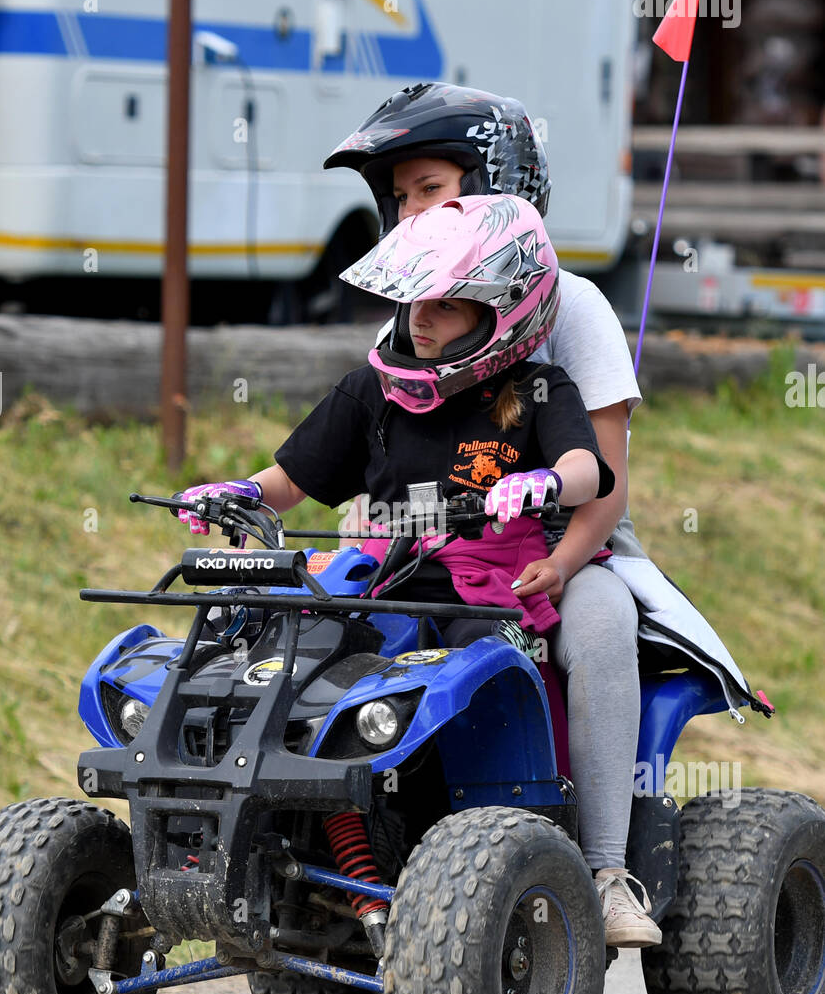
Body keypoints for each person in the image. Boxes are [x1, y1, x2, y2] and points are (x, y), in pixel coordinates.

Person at [321, 81, 773, 945]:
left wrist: (563, 568)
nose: (411, 210)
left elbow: (605, 486)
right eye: (401, 196)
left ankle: (605, 871)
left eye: (430, 190)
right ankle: (346, 847)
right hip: (432, 547)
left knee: (599, 630)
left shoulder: (576, 306)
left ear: (499, 185)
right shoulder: (409, 310)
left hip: (573, 543)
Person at [176, 192, 665, 948]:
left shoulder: (538, 388)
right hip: (391, 581)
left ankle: (598, 871)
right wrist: (237, 492)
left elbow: (586, 467)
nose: (419, 319)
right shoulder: (373, 388)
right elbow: (291, 477)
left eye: (444, 304)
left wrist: (546, 489)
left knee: (510, 670)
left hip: (497, 584)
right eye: (411, 302)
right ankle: (297, 839)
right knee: (295, 662)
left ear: (502, 310)